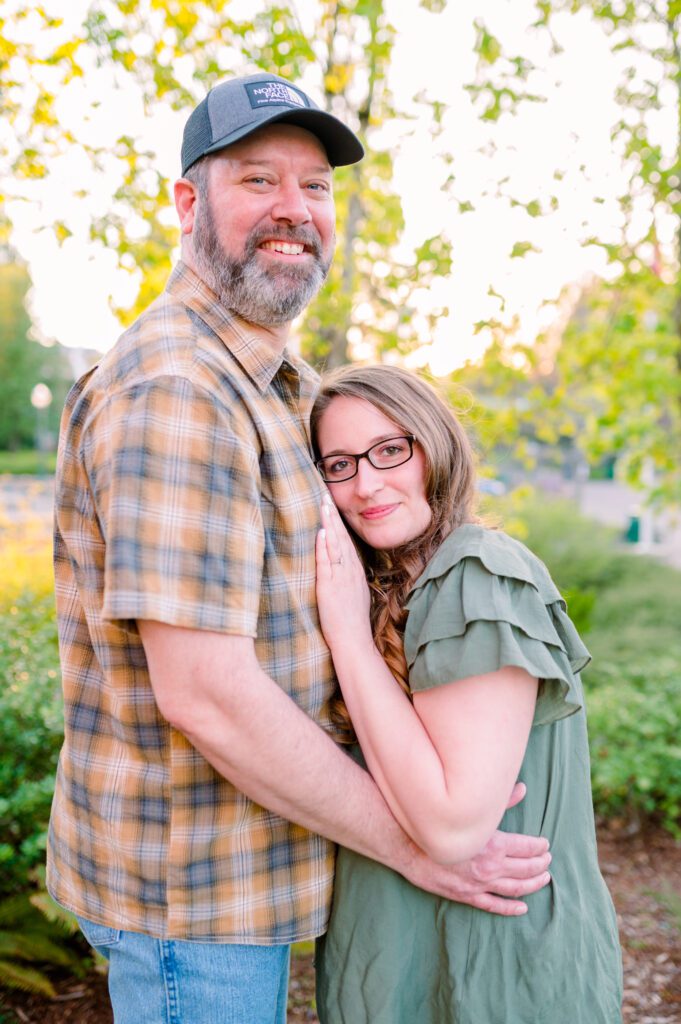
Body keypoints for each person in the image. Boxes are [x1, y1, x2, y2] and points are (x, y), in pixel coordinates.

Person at [47, 72, 552, 1024]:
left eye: (315, 186)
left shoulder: (273, 383)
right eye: (257, 181)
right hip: (193, 904)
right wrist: (417, 842)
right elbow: (208, 693)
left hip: (250, 880)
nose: (294, 210)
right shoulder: (179, 394)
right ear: (188, 204)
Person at [311, 363, 623, 1024]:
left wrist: (346, 637)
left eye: (390, 450)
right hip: (403, 960)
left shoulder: (477, 576)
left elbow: (451, 824)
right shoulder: (384, 592)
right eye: (338, 465)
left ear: (435, 445)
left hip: (497, 971)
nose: (366, 484)